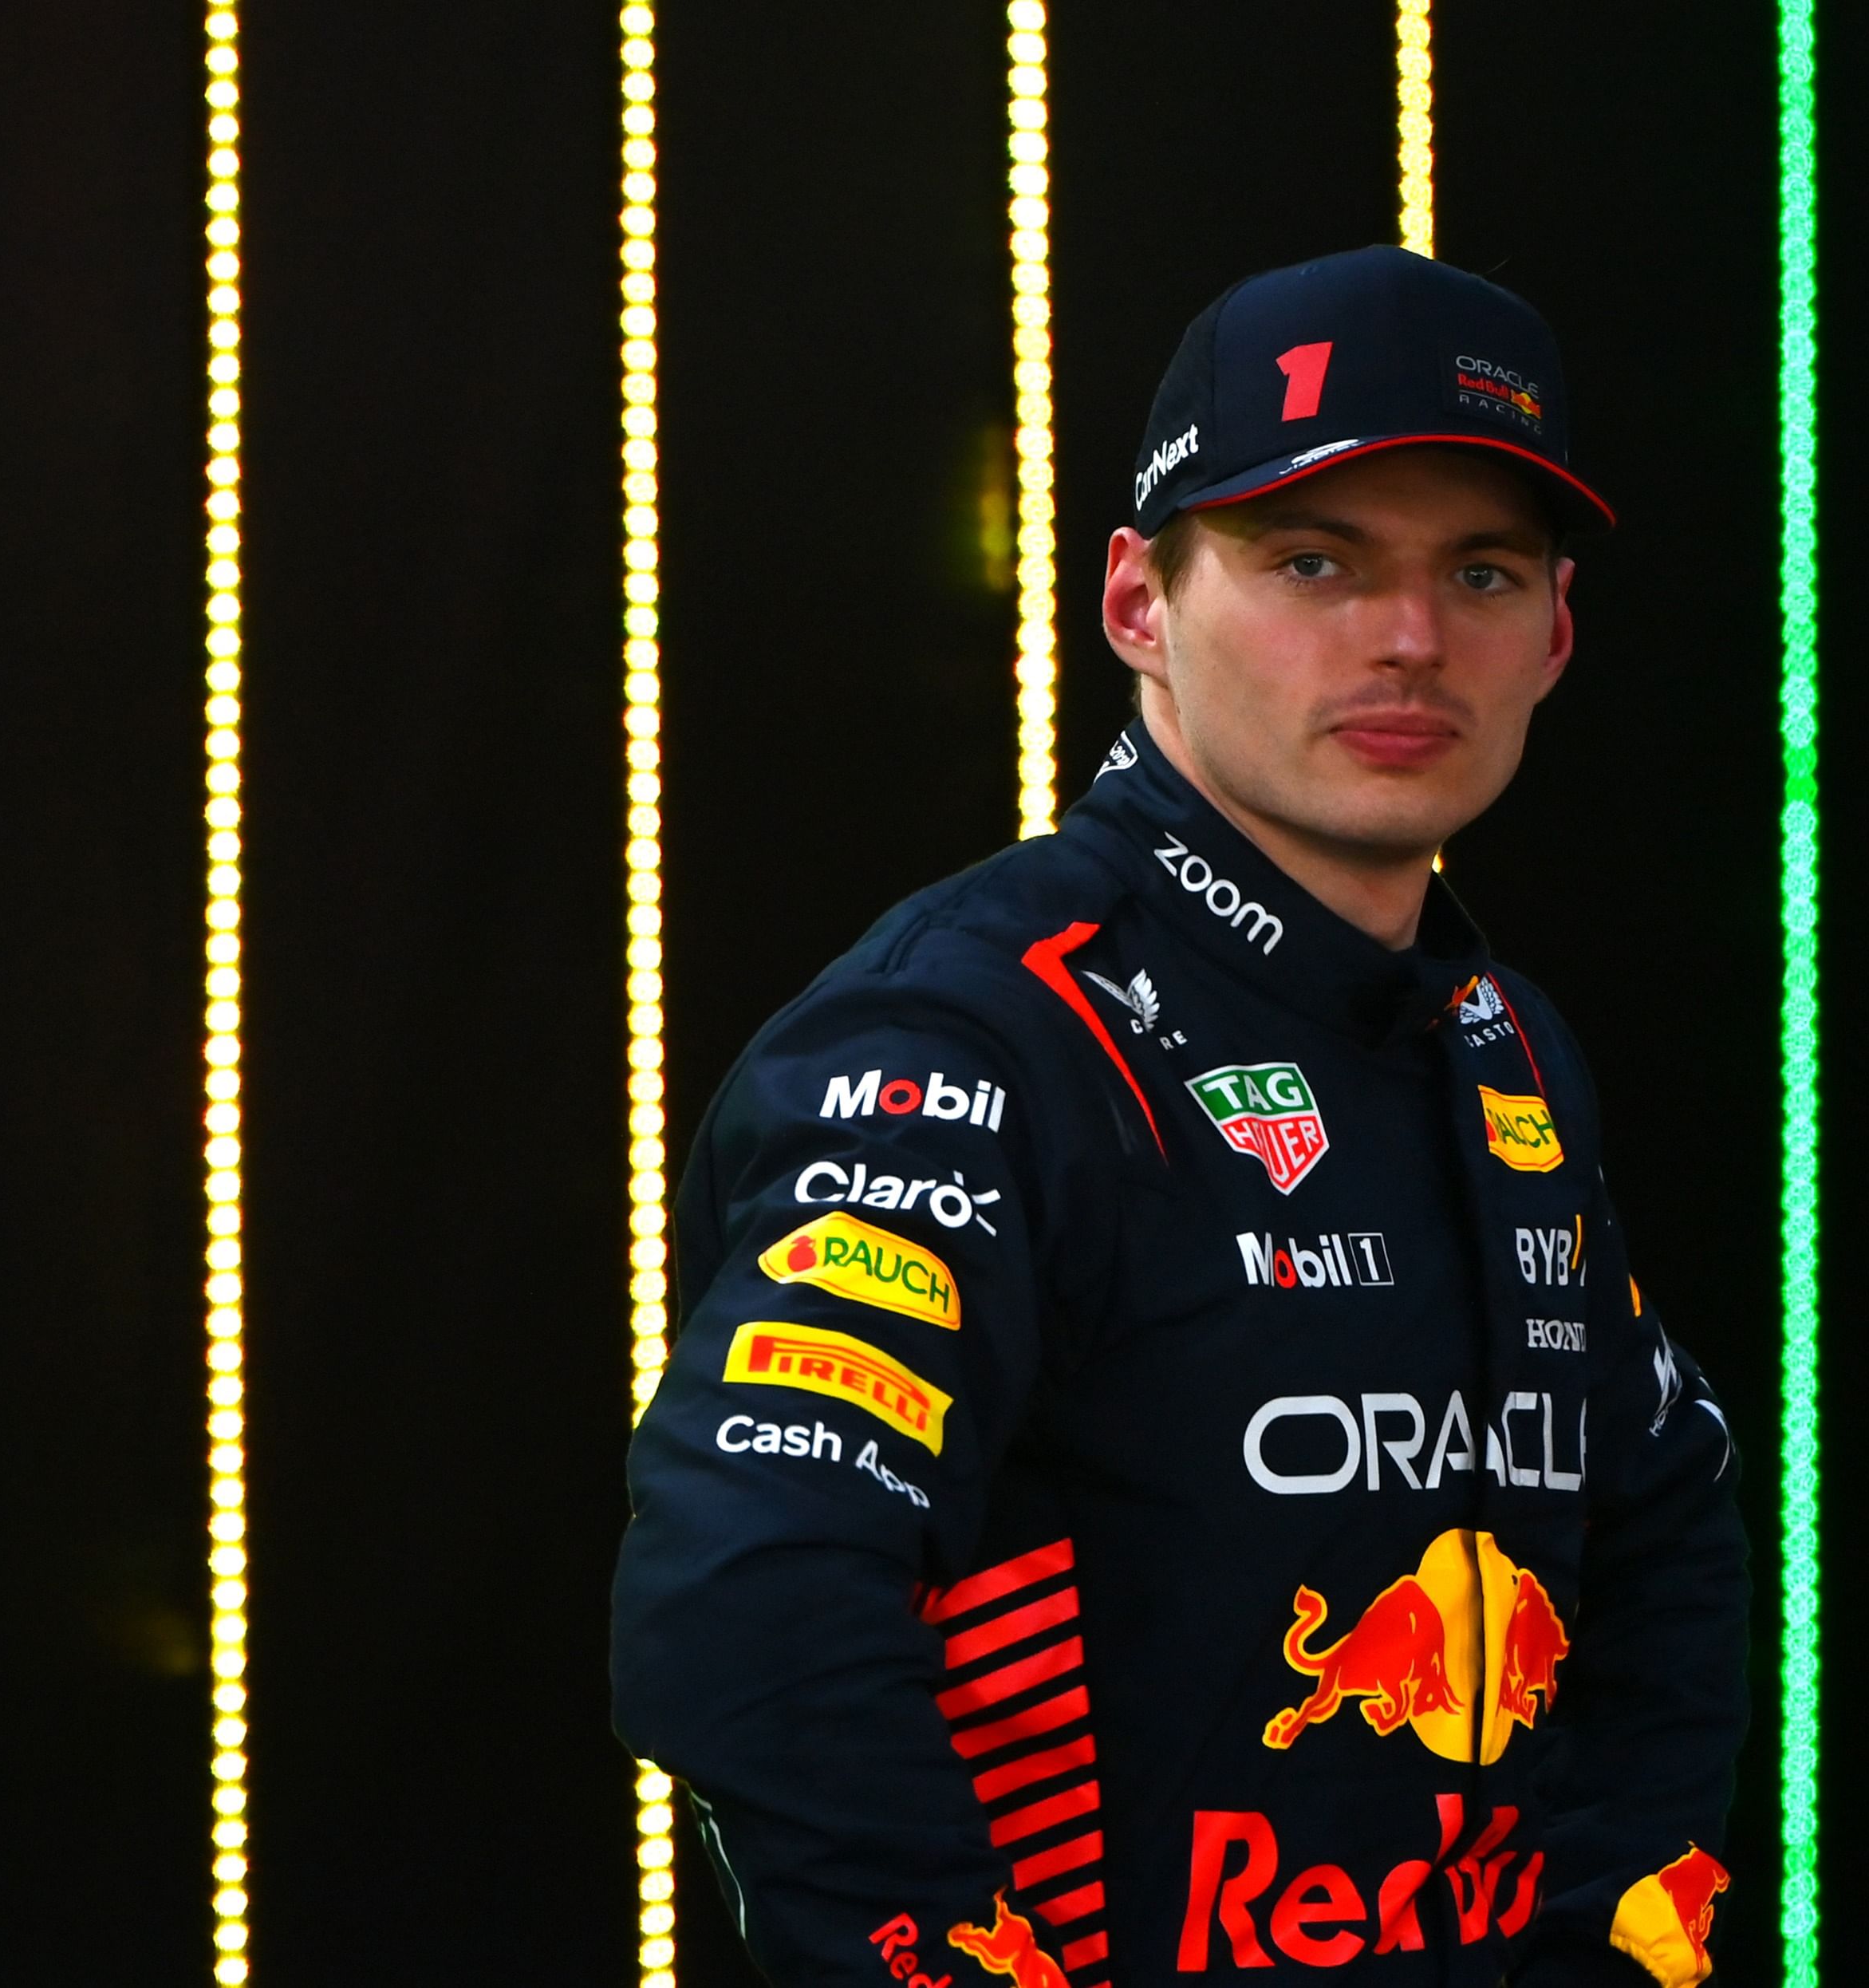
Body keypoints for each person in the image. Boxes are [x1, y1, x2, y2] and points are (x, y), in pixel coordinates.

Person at [612, 246, 1748, 1987]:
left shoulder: (1499, 1044)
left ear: (1556, 637)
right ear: (1137, 601)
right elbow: (749, 1599)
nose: (1408, 637)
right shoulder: (976, 1025)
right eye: (1312, 560)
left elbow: (1660, 1506)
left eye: (1482, 570)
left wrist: (1619, 1944)